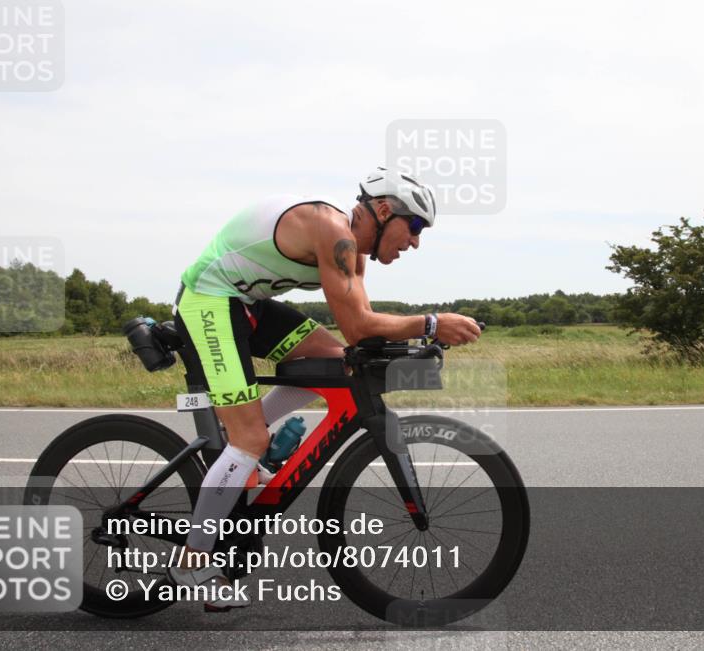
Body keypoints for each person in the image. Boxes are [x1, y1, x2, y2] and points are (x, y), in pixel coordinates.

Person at [167, 167, 481, 611]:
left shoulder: (352, 255)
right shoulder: (332, 231)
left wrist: (415, 343)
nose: (414, 241)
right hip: (209, 300)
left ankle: (251, 442)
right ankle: (193, 560)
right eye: (413, 227)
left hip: (247, 304)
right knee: (249, 439)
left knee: (333, 364)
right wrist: (432, 323)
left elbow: (360, 334)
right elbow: (357, 325)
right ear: (385, 209)